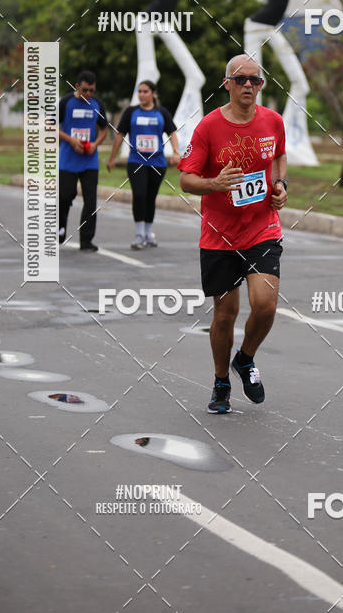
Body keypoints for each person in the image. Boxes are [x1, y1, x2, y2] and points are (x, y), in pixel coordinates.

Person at [178, 54, 288, 414]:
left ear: (261, 85)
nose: (247, 86)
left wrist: (281, 184)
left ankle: (246, 358)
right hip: (219, 235)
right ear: (226, 84)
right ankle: (221, 380)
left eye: (255, 80)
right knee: (225, 314)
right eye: (240, 79)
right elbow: (185, 178)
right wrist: (214, 183)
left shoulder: (273, 121)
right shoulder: (208, 128)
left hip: (262, 227)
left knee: (266, 305)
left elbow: (280, 156)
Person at [107, 80, 179, 249]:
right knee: (139, 195)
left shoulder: (161, 112)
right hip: (136, 161)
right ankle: (139, 234)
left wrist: (176, 152)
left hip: (157, 162)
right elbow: (120, 134)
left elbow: (172, 132)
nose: (141, 95)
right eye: (139, 91)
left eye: (145, 91)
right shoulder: (131, 112)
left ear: (153, 94)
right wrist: (112, 157)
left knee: (150, 197)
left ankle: (148, 232)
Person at [59, 70, 109, 251]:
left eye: (92, 91)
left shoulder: (97, 104)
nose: (89, 94)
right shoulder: (66, 103)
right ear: (77, 86)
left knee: (91, 201)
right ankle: (60, 228)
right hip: (68, 159)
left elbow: (105, 129)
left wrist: (95, 144)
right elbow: (50, 126)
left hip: (89, 161)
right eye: (86, 90)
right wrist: (71, 140)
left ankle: (86, 240)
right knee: (65, 196)